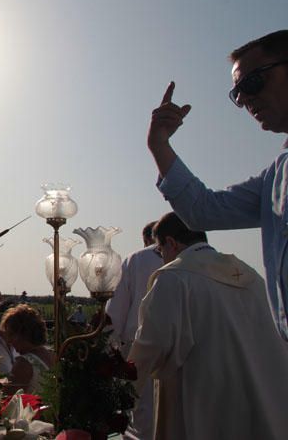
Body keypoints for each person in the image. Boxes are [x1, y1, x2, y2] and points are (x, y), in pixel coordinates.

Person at [147, 30, 288, 339]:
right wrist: (159, 144)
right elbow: (203, 211)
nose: (245, 99)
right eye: (236, 93)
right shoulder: (276, 176)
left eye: (252, 83)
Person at [128, 212, 288, 440]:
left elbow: (150, 347)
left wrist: (120, 395)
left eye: (159, 251)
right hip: (264, 407)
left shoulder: (175, 278)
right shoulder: (251, 276)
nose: (161, 257)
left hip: (208, 409)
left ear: (171, 243)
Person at [105, 221, 162, 440]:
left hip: (139, 352)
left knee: (141, 419)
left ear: (148, 238)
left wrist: (109, 355)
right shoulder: (187, 257)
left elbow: (114, 315)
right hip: (182, 353)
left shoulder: (136, 259)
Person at [0, 304, 55, 392]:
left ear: (23, 333)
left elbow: (8, 401)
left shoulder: (24, 363)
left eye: (11, 335)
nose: (8, 341)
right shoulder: (52, 355)